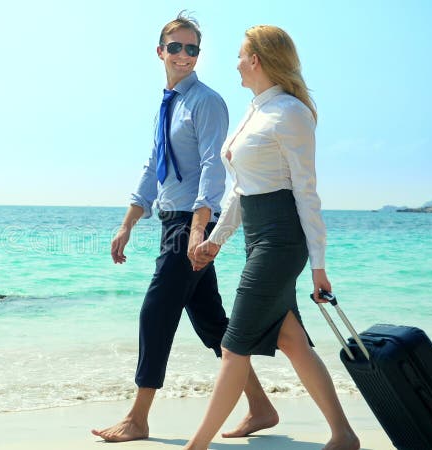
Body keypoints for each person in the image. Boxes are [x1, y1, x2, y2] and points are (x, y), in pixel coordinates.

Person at [91, 13, 278, 443]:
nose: (183, 55)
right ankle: (261, 407)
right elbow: (152, 167)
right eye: (175, 47)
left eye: (192, 49)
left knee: (155, 311)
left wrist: (199, 230)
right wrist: (127, 224)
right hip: (171, 220)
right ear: (160, 51)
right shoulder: (169, 104)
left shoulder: (206, 102)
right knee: (211, 321)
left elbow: (215, 168)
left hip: (191, 223)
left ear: (198, 55)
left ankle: (138, 417)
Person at [181, 25, 361, 450]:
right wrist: (218, 239)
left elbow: (306, 192)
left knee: (233, 346)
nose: (236, 63)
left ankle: (196, 446)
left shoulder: (290, 113)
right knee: (290, 338)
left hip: (281, 241)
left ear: (257, 60)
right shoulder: (256, 110)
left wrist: (319, 265)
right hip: (258, 237)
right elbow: (243, 189)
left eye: (241, 55)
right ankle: (344, 434)